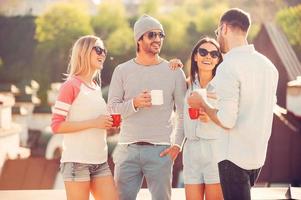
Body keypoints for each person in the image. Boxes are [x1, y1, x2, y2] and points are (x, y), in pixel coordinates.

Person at [188, 8, 279, 200]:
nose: (218, 36)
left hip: (233, 158)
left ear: (224, 28)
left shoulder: (228, 66)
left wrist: (202, 101)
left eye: (217, 32)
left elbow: (226, 120)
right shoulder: (268, 66)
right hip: (256, 157)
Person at [108, 14, 186, 200]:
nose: (157, 39)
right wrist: (134, 104)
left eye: (161, 35)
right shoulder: (122, 71)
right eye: (151, 34)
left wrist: (177, 145)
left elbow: (183, 113)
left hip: (161, 151)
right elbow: (112, 109)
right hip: (127, 150)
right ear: (139, 39)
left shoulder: (174, 71)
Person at [51, 35, 118, 200]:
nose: (103, 54)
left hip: (100, 162)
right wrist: (94, 123)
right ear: (84, 52)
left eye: (104, 50)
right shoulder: (70, 85)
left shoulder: (95, 87)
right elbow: (56, 126)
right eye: (98, 49)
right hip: (76, 162)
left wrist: (109, 125)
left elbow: (94, 125)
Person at [183, 37, 223, 200]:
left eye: (214, 54)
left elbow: (230, 120)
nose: (208, 56)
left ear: (218, 60)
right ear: (195, 56)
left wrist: (211, 117)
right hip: (191, 151)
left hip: (215, 151)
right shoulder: (186, 84)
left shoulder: (224, 86)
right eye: (203, 52)